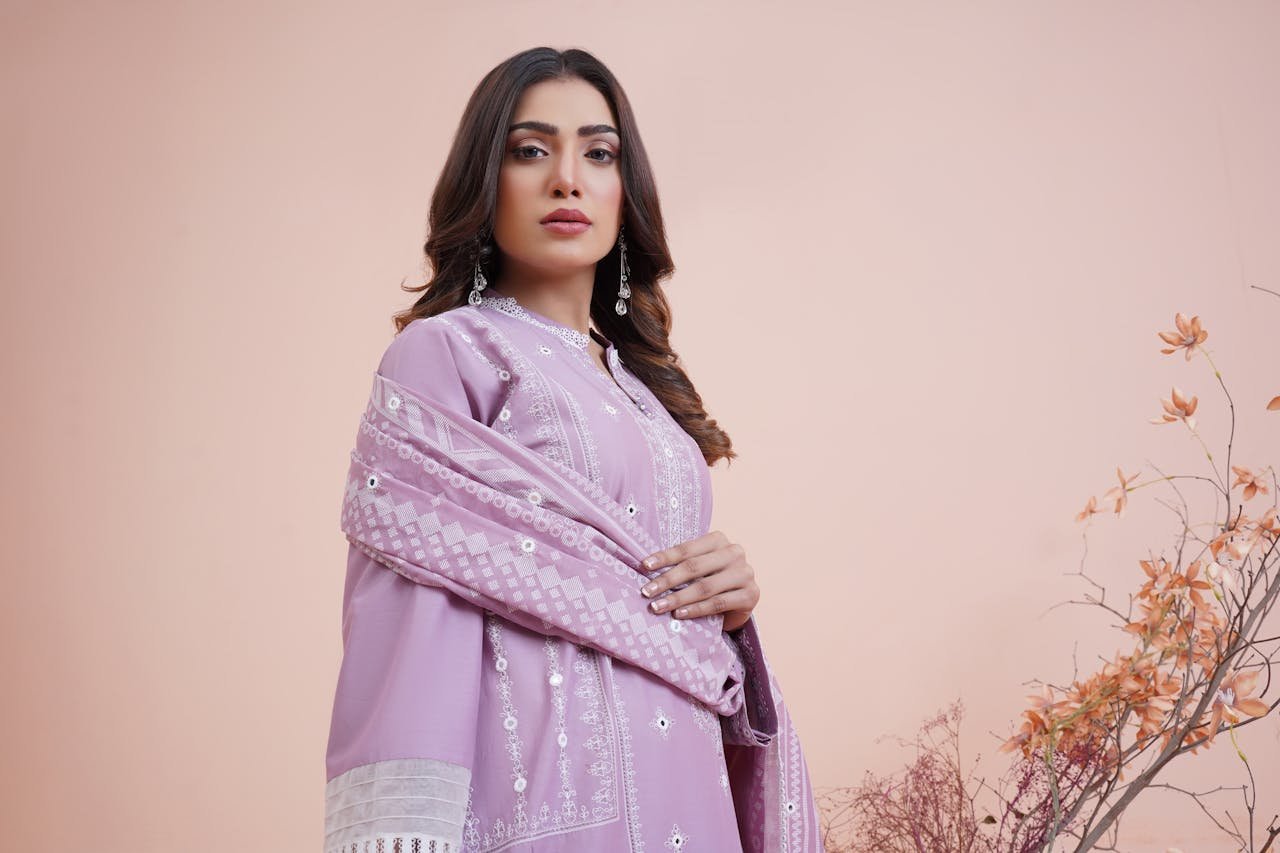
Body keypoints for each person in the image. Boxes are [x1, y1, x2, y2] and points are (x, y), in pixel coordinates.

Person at [324, 46, 824, 853]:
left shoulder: (648, 394)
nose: (567, 178)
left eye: (598, 152)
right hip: (546, 816)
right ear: (485, 184)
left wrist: (731, 612)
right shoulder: (450, 353)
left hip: (689, 810)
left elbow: (661, 614)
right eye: (530, 150)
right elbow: (409, 632)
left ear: (626, 193)